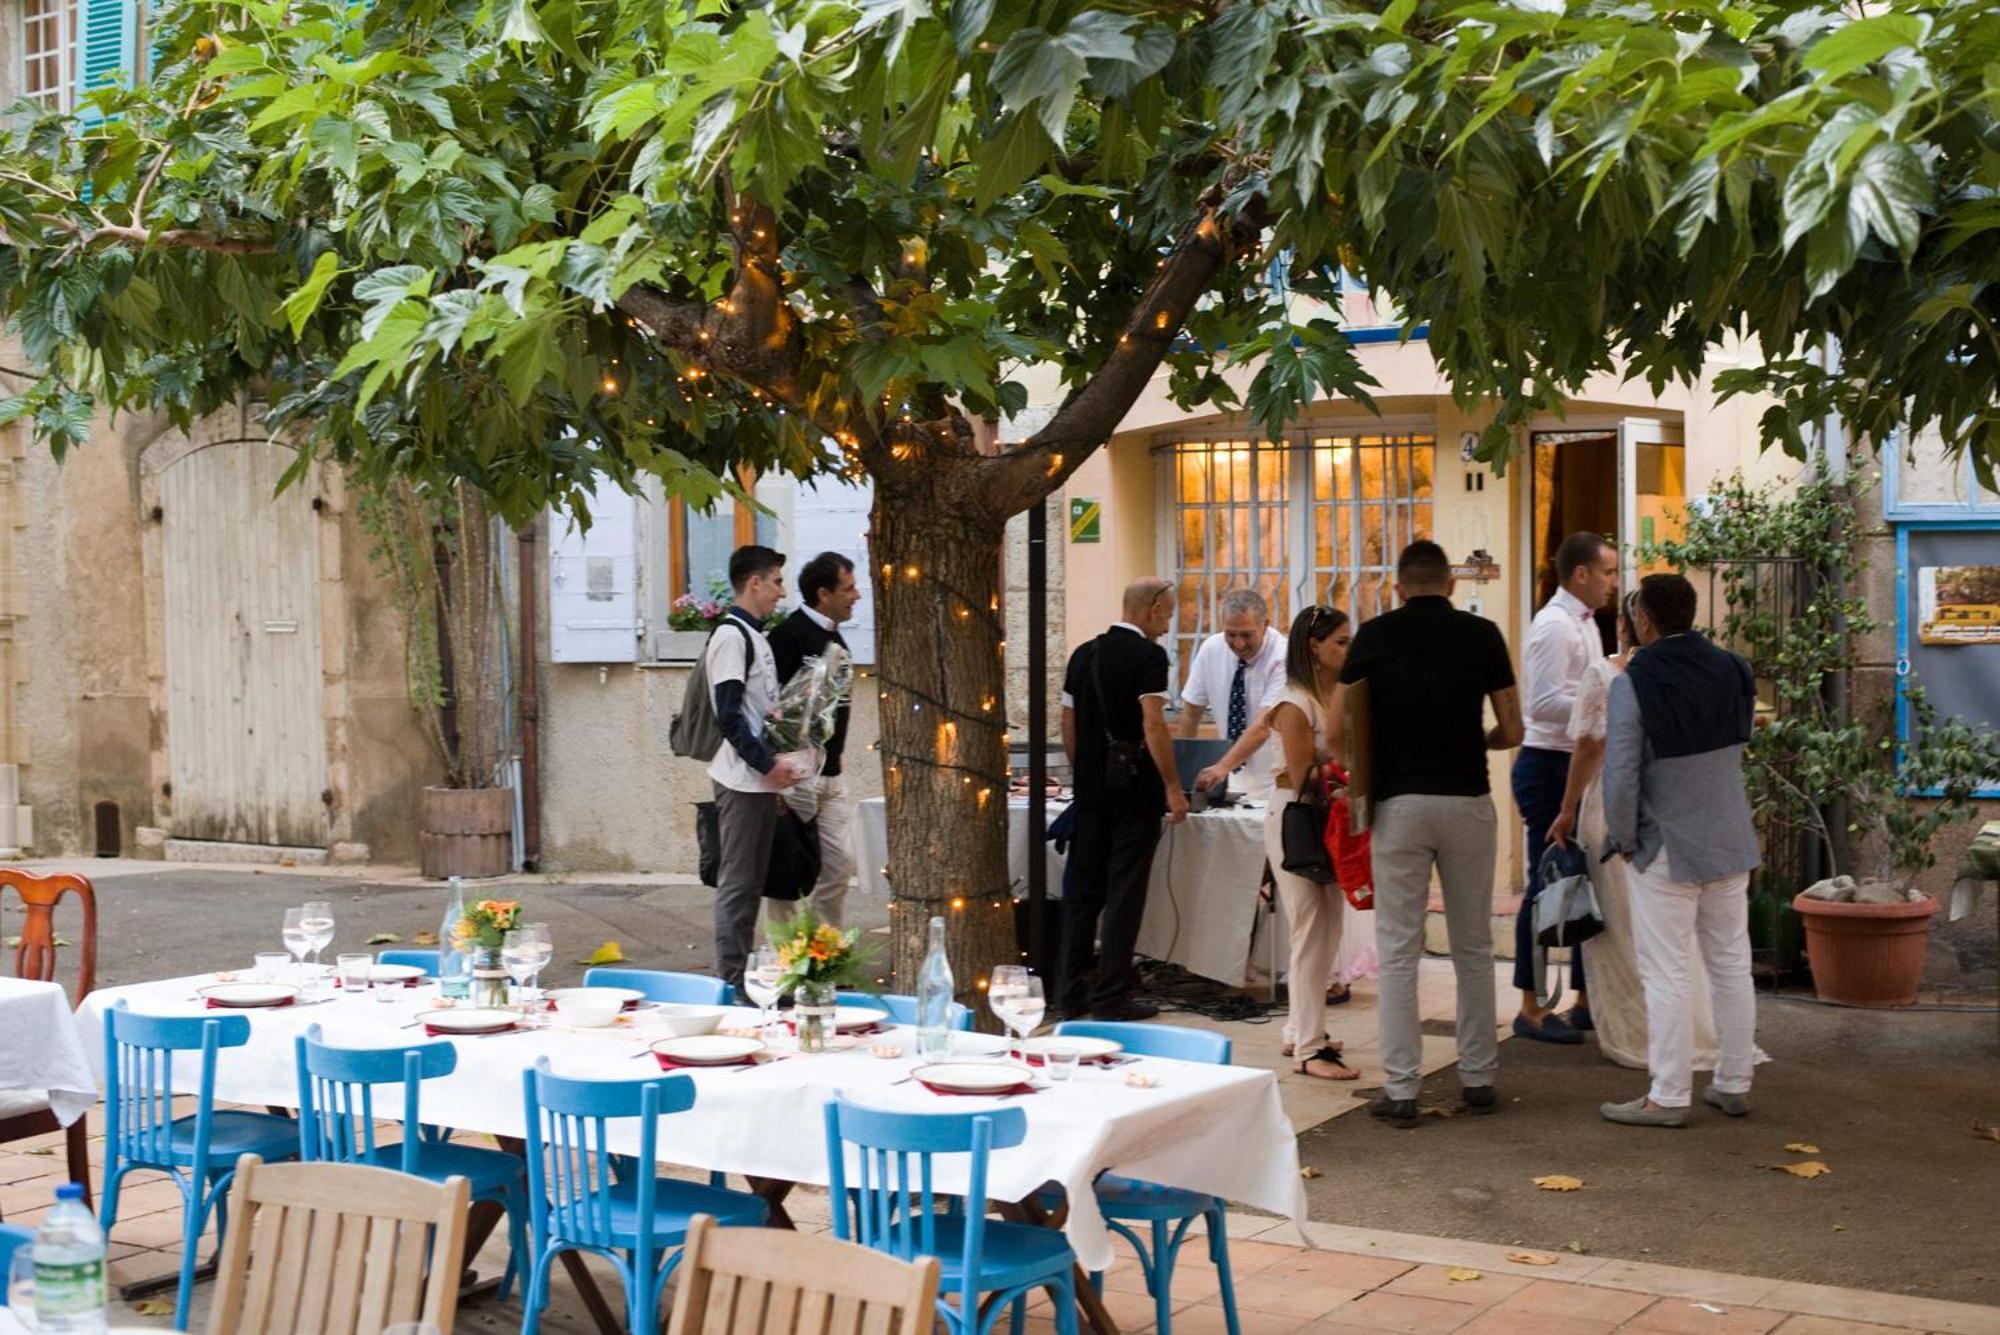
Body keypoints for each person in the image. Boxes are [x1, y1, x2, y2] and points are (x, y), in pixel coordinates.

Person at [1335, 541, 1522, 1129]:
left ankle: (1402, 1088)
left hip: (1400, 805)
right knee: (1472, 947)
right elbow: (1512, 726)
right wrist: (1479, 743)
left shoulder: (1373, 636)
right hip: (1467, 798)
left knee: (1398, 950)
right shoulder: (1483, 634)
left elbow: (1337, 726)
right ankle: (1479, 1078)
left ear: (1399, 585)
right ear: (1447, 583)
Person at [1597, 573, 1761, 1128]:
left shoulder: (1633, 683)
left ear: (1643, 619)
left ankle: (1667, 1095)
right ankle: (1733, 1081)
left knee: (1665, 971)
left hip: (1664, 842)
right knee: (1731, 963)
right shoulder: (1735, 668)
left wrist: (1622, 838)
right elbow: (1741, 742)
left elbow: (1619, 774)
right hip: (1729, 835)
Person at [1548, 594, 1728, 1071]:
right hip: (1675, 804)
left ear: (1628, 626)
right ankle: (1692, 1035)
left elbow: (1587, 747)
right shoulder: (1686, 673)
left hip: (1613, 802)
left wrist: (1566, 809)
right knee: (1674, 933)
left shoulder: (1607, 675)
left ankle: (1639, 1036)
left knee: (1621, 926)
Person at [1059, 577, 1188, 1021]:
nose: (1168, 624)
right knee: (1124, 893)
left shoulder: (1084, 653)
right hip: (1135, 793)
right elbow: (1154, 724)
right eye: (1168, 613)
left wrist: (1084, 775)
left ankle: (1069, 993)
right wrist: (1173, 786)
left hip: (1090, 794)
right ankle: (1111, 997)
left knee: (1083, 894)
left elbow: (1067, 722)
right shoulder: (1149, 656)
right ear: (1152, 609)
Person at [1511, 531, 1620, 1043]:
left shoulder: (1585, 623)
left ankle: (1583, 997)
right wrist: (1603, 702)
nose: (1613, 583)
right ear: (1581, 574)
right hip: (1549, 764)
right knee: (1547, 884)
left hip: (1574, 762)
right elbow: (1543, 703)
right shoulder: (1554, 626)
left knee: (1585, 882)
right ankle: (1530, 1006)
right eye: (1608, 572)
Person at [705, 545, 811, 997]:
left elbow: (758, 712)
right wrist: (767, 765)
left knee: (752, 884)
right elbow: (728, 716)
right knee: (740, 886)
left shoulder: (755, 635)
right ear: (754, 583)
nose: (781, 592)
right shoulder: (732, 637)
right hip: (743, 781)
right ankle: (732, 985)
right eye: (777, 582)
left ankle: (749, 980)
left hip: (760, 781)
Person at [1263, 605, 1358, 1080]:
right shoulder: (1293, 702)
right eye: (1340, 641)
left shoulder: (1331, 695)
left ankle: (1300, 1028)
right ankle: (1309, 1047)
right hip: (1296, 818)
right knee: (1310, 931)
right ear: (1314, 647)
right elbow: (1302, 774)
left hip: (1327, 818)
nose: (1348, 648)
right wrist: (1355, 769)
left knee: (1328, 928)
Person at [767, 551, 862, 928]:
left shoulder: (835, 636)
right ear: (824, 593)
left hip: (832, 774)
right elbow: (769, 704)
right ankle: (785, 959)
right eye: (849, 588)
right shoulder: (788, 636)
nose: (856, 595)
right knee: (788, 874)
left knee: (838, 868)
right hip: (798, 774)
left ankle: (825, 953)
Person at [1182, 588, 1289, 801]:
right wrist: (1183, 772)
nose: (1239, 644)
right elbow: (1191, 713)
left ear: (1265, 625)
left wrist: (1223, 766)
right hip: (1227, 781)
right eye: (1230, 635)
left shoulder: (1283, 656)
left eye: (1247, 635)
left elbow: (1264, 725)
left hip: (1275, 783)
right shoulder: (1211, 648)